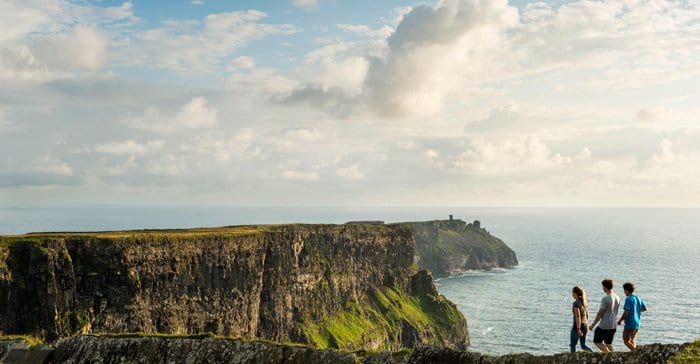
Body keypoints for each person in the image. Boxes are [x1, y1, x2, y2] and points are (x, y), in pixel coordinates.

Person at [588, 279, 620, 352]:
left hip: (605, 324)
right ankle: (614, 357)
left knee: (597, 341)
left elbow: (600, 313)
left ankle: (608, 356)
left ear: (605, 287)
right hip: (613, 324)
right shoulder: (617, 297)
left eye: (603, 287)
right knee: (608, 343)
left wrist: (593, 324)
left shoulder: (605, 298)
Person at [617, 282, 647, 350]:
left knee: (626, 341)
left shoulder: (628, 299)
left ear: (626, 290)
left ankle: (637, 354)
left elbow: (626, 312)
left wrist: (619, 321)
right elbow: (644, 309)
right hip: (637, 323)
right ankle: (636, 353)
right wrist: (636, 310)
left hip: (630, 323)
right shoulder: (638, 298)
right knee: (632, 340)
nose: (624, 292)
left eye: (624, 290)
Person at [570, 286, 593, 352]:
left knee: (573, 345)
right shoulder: (584, 303)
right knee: (583, 345)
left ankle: (572, 360)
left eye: (572, 293)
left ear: (575, 293)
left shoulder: (576, 303)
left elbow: (578, 316)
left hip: (577, 326)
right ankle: (593, 354)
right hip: (585, 325)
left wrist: (578, 328)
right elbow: (587, 316)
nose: (572, 295)